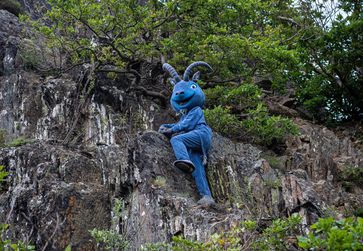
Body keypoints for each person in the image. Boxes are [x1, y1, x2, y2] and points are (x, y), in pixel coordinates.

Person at [159, 61, 215, 206]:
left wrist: (171, 131)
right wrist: (167, 126)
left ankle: (184, 160)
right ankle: (207, 197)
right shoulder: (186, 114)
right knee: (198, 170)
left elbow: (186, 125)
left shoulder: (196, 110)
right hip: (196, 141)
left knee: (177, 140)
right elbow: (182, 123)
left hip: (201, 134)